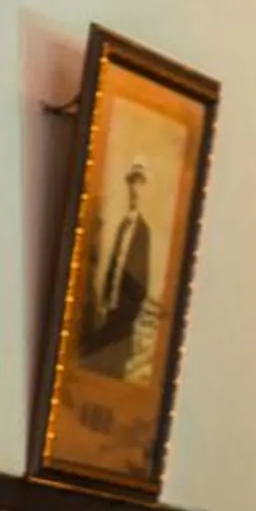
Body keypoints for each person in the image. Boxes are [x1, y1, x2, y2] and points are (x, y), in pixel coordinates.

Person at [78, 158, 154, 380]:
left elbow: (143, 279)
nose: (134, 190)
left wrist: (130, 312)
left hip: (126, 315)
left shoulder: (144, 232)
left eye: (139, 184)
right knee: (101, 365)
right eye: (132, 183)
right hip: (110, 309)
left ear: (144, 190)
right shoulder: (122, 226)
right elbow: (113, 266)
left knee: (117, 365)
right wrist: (104, 300)